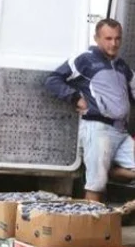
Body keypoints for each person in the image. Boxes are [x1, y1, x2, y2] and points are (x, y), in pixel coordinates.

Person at [45, 18, 135, 202]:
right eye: (108, 38)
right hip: (98, 129)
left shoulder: (121, 66)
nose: (114, 43)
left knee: (106, 176)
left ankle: (104, 170)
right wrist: (75, 97)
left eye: (117, 38)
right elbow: (52, 80)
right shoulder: (84, 60)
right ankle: (89, 229)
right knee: (96, 186)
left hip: (121, 130)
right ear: (97, 38)